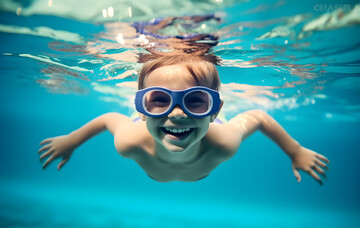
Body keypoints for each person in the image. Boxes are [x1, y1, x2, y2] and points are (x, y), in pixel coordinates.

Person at [38, 54, 329, 184]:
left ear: (215, 110)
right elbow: (109, 118)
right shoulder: (129, 140)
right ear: (140, 108)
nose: (177, 113)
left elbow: (258, 115)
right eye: (159, 99)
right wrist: (71, 141)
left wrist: (295, 150)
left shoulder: (223, 141)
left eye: (195, 101)